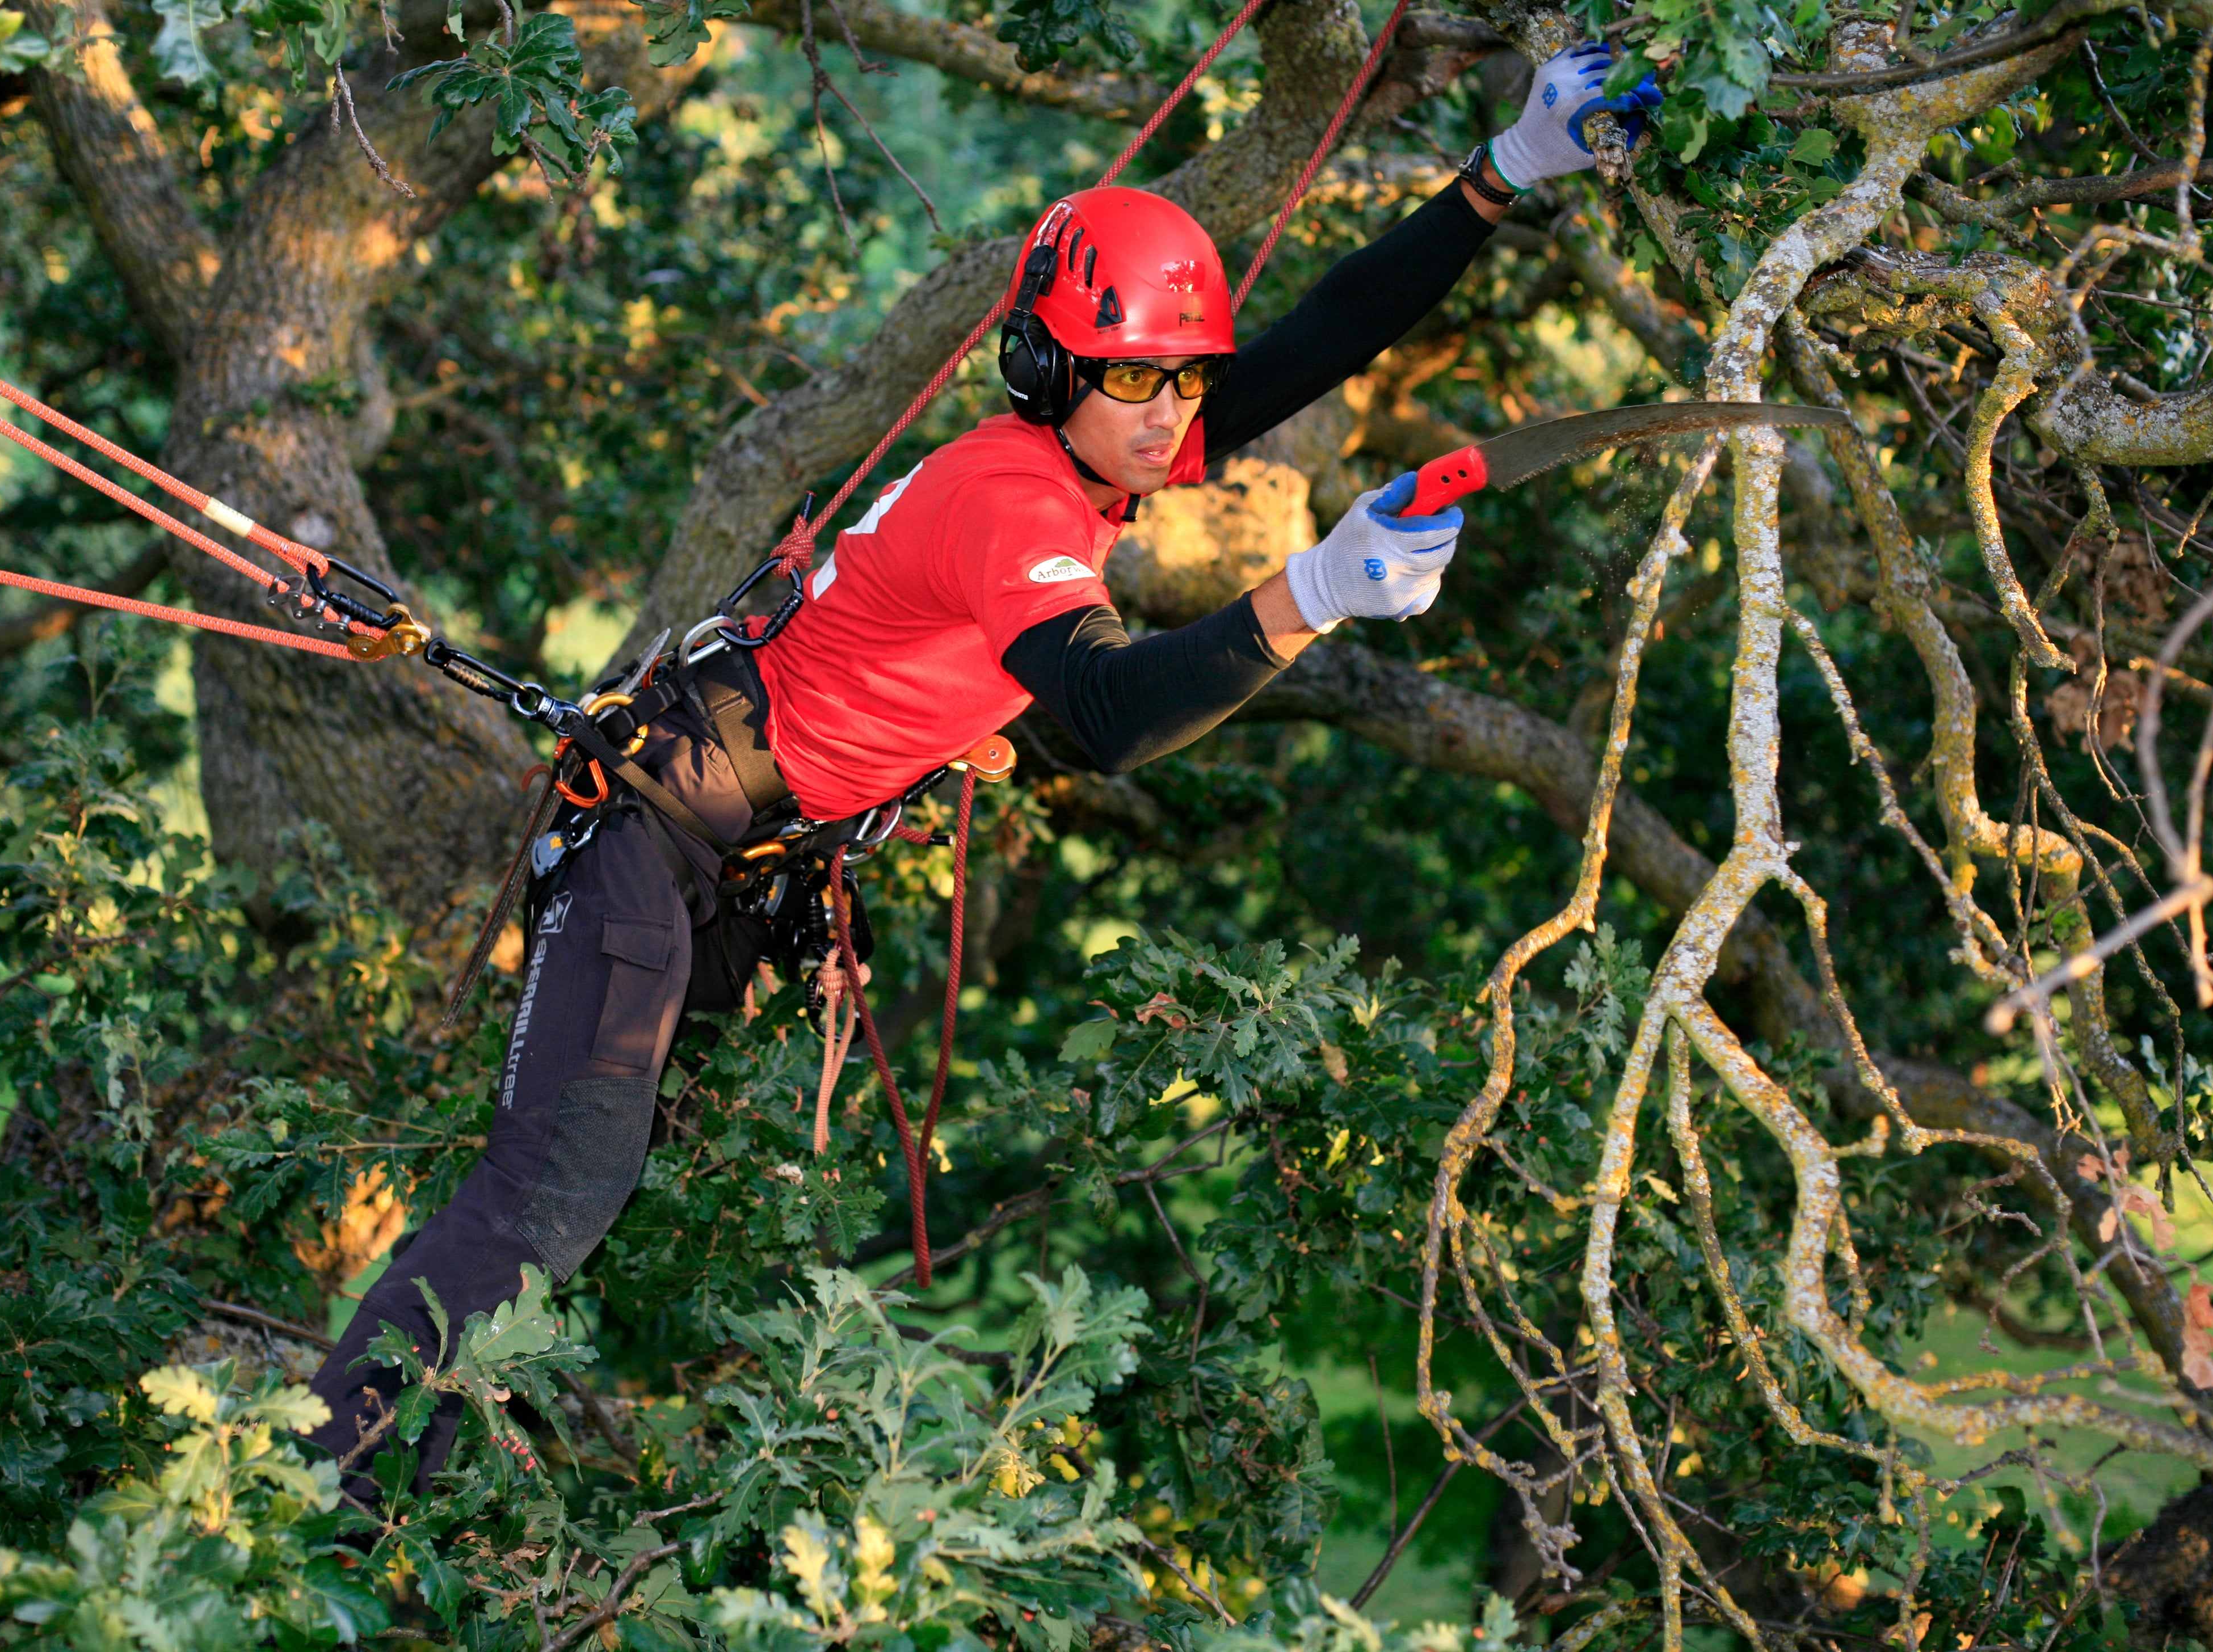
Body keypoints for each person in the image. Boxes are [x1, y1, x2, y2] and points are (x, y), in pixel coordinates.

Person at [309, 40, 1659, 1489]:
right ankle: (323, 1490)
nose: (1172, 410)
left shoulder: (1103, 453)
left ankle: (407, 1483)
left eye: (1183, 382)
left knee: (610, 1189)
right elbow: (1104, 711)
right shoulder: (1013, 497)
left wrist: (1503, 173)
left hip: (739, 850)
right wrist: (1310, 594)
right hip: (665, 832)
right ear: (1047, 371)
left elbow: (1317, 338)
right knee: (552, 1193)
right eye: (1137, 377)